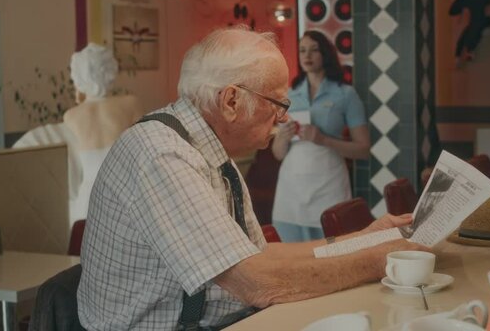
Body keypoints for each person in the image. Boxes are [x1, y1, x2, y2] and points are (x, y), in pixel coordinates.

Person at [77, 26, 426, 331]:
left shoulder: (205, 145)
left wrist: (364, 240)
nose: (281, 117)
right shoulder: (163, 155)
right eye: (276, 102)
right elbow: (258, 282)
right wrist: (380, 259)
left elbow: (260, 257)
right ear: (230, 100)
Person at [271, 30, 370, 242]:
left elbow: (363, 149)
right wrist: (283, 138)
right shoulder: (288, 95)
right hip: (292, 185)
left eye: (314, 50)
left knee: (332, 248)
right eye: (303, 50)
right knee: (292, 255)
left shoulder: (346, 94)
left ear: (325, 54)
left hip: (329, 183)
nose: (307, 55)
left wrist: (323, 139)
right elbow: (278, 154)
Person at [64, 43, 143, 228]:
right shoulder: (131, 103)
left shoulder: (71, 115)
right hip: (124, 194)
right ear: (110, 71)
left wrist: (80, 97)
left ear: (78, 77)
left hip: (88, 199)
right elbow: (144, 150)